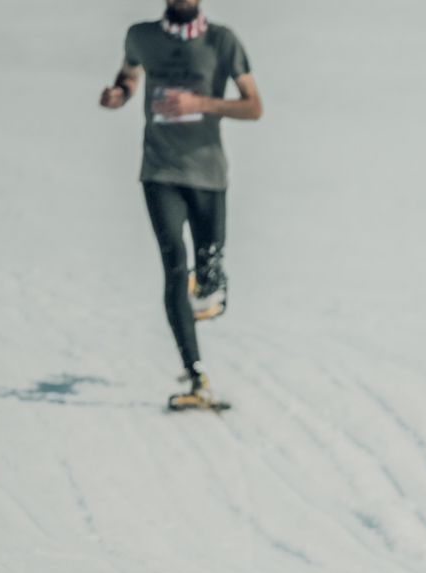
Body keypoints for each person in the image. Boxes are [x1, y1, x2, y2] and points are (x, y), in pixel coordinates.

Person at [99, 0, 261, 407]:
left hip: (208, 173)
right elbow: (128, 76)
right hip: (159, 170)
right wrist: (118, 95)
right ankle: (196, 376)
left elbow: (253, 106)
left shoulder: (222, 42)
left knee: (209, 280)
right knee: (174, 262)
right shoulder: (142, 36)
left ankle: (202, 293)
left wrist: (200, 105)